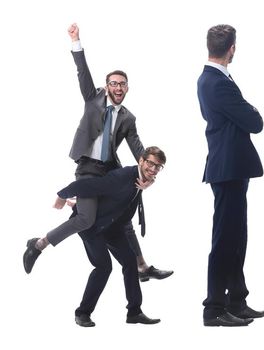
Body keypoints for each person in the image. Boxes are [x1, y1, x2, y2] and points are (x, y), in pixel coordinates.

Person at [22, 23, 172, 283]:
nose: (117, 88)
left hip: (109, 169)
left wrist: (148, 171)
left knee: (125, 215)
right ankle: (39, 244)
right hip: (88, 168)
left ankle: (141, 266)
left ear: (127, 88)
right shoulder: (93, 98)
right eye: (113, 83)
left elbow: (137, 147)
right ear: (106, 86)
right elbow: (82, 72)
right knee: (86, 219)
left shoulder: (128, 118)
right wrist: (76, 42)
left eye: (122, 84)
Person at [41, 147, 165, 327]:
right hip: (93, 227)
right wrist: (63, 194)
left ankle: (134, 312)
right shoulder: (123, 175)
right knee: (103, 267)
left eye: (158, 166)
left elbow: (121, 201)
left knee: (130, 262)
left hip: (113, 227)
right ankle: (83, 313)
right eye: (150, 163)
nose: (153, 169)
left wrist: (146, 185)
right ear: (141, 161)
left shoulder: (143, 180)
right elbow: (90, 186)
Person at [198, 24, 264, 327]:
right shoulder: (216, 82)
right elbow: (255, 121)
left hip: (232, 167)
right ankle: (214, 308)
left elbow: (244, 116)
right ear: (232, 49)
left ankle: (236, 300)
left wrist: (246, 110)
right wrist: (251, 109)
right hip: (227, 168)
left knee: (237, 236)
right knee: (225, 240)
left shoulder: (216, 79)